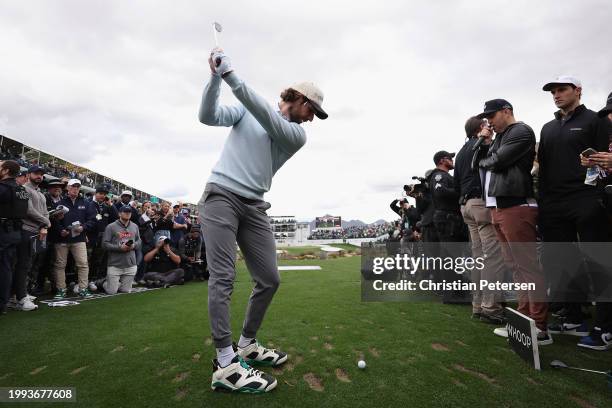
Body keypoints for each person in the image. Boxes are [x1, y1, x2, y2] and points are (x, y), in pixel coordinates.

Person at [199, 47, 327, 392]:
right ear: (298, 99)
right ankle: (226, 362)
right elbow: (207, 117)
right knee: (223, 277)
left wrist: (232, 76)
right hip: (221, 196)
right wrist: (215, 78)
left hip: (254, 207)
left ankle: (246, 343)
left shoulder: (297, 134)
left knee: (269, 279)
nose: (312, 118)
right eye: (311, 109)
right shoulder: (246, 108)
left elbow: (266, 117)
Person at [537, 77, 609, 342]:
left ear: (578, 90)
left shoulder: (595, 120)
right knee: (563, 261)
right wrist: (543, 202)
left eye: (562, 90)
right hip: (554, 203)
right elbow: (543, 168)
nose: (556, 95)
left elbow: (605, 161)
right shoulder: (547, 128)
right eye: (553, 92)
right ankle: (574, 317)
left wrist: (598, 195)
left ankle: (604, 326)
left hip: (586, 197)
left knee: (598, 259)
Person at [476, 99, 551, 345]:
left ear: (506, 111)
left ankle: (540, 327)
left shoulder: (520, 130)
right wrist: (485, 142)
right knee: (517, 269)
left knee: (527, 268)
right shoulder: (500, 135)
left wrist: (489, 156)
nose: (489, 122)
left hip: (517, 206)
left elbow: (494, 162)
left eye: (492, 116)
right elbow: (482, 160)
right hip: (501, 207)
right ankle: (523, 320)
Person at [454, 117, 507, 324]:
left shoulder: (461, 152)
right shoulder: (482, 145)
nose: (491, 128)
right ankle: (490, 308)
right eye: (487, 125)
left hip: (466, 206)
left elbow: (457, 182)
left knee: (479, 258)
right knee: (492, 257)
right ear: (480, 129)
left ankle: (477, 305)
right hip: (480, 204)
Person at [13, 166, 50, 311]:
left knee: (28, 265)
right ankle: (20, 297)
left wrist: (44, 224)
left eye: (41, 174)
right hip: (25, 230)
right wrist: (45, 222)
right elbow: (28, 210)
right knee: (22, 265)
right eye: (36, 173)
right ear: (28, 175)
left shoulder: (40, 193)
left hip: (37, 232)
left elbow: (46, 212)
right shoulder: (24, 189)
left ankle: (21, 293)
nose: (39, 176)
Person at [52, 179, 97, 299]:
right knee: (60, 265)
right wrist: (60, 230)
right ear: (67, 187)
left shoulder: (87, 203)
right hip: (63, 239)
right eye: (73, 186)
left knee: (83, 264)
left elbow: (92, 220)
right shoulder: (60, 202)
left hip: (79, 238)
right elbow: (55, 220)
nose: (75, 189)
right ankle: (61, 290)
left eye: (77, 187)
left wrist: (83, 227)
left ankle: (83, 289)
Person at [0, 160, 29, 315]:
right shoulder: (21, 190)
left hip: (4, 232)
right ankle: (3, 303)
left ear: (5, 171)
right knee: (6, 268)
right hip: (15, 232)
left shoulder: (3, 188)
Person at [99, 205, 141, 294]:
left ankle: (116, 283)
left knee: (125, 290)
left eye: (129, 212)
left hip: (130, 264)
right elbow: (104, 244)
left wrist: (133, 245)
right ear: (119, 214)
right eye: (125, 212)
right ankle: (102, 282)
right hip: (115, 264)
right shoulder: (111, 227)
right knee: (112, 291)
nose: (128, 214)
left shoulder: (135, 226)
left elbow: (139, 241)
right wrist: (119, 248)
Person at [87, 183, 118, 288]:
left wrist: (111, 204)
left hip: (102, 237)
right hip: (90, 236)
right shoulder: (88, 203)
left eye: (104, 194)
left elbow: (115, 218)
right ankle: (80, 281)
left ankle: (92, 280)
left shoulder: (106, 206)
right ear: (95, 193)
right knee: (86, 260)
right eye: (100, 193)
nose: (102, 196)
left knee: (97, 260)